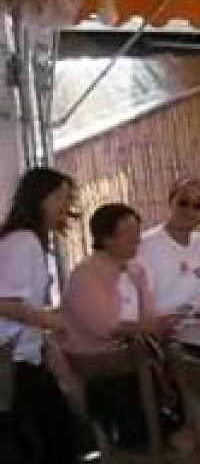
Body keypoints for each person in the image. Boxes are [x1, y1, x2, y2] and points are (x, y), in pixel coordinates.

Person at [62, 203, 167, 451]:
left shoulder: (136, 270)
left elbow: (148, 314)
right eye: (128, 233)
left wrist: (154, 325)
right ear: (106, 238)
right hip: (99, 360)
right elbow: (105, 326)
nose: (137, 239)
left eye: (137, 231)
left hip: (133, 350)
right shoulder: (86, 274)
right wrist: (145, 328)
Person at [0, 167, 80, 464]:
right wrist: (56, 321)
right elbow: (5, 303)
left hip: (24, 360)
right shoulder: (24, 241)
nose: (66, 205)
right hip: (13, 363)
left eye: (68, 198)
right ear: (38, 199)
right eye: (59, 197)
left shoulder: (26, 241)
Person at [138, 178, 200, 316]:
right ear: (170, 202)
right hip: (158, 325)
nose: (190, 211)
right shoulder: (145, 244)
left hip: (199, 322)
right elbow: (136, 303)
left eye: (199, 206)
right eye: (183, 203)